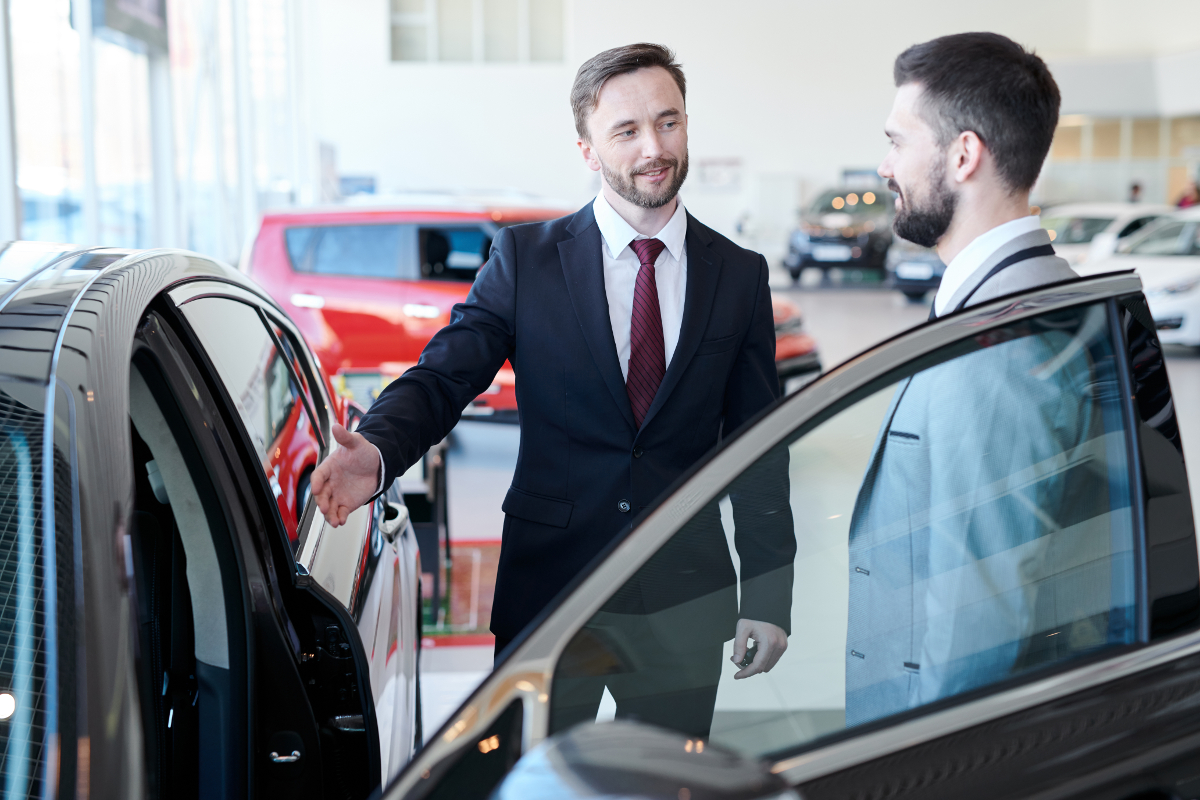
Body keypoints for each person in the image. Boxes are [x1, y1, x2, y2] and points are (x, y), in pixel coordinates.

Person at [309, 43, 795, 731]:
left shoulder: (739, 275)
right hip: (550, 594)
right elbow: (446, 373)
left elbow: (758, 446)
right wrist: (381, 449)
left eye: (669, 122)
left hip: (685, 598)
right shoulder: (527, 260)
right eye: (626, 130)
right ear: (588, 150)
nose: (653, 146)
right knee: (529, 776)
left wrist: (769, 594)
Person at [846, 32, 1084, 726]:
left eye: (897, 140)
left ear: (963, 154)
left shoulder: (996, 346)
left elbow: (979, 614)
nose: (885, 165)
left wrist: (924, 763)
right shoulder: (1023, 299)